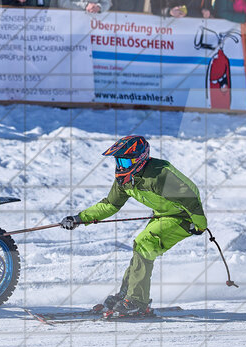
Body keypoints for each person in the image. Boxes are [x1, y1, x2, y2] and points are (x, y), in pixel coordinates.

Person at [60, 136, 207, 318]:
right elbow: (109, 205)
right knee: (140, 247)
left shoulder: (159, 175)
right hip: (162, 215)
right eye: (118, 160)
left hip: (184, 216)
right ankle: (127, 295)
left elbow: (191, 199)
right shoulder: (125, 180)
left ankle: (137, 301)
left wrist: (200, 226)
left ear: (140, 159)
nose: (121, 166)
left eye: (125, 160)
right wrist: (79, 218)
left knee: (145, 243)